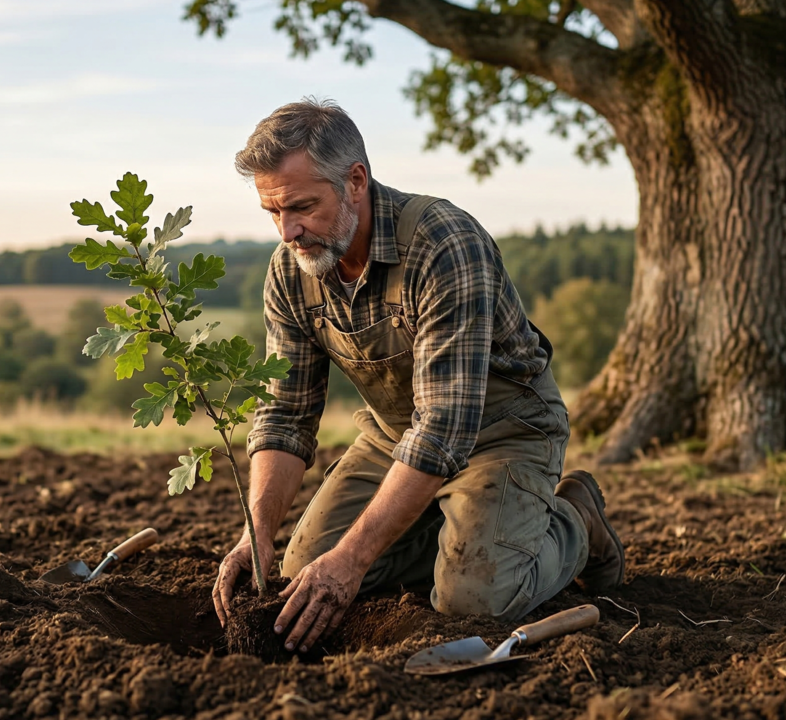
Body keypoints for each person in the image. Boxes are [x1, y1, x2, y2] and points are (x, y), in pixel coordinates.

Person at [212, 98, 624, 655]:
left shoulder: (441, 244)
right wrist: (255, 535)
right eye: (273, 213)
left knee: (473, 599)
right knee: (304, 569)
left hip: (500, 432)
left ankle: (573, 520)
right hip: (393, 435)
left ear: (355, 180)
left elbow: (445, 429)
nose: (288, 231)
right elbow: (285, 416)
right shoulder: (291, 271)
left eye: (302, 207)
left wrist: (356, 559)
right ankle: (458, 524)